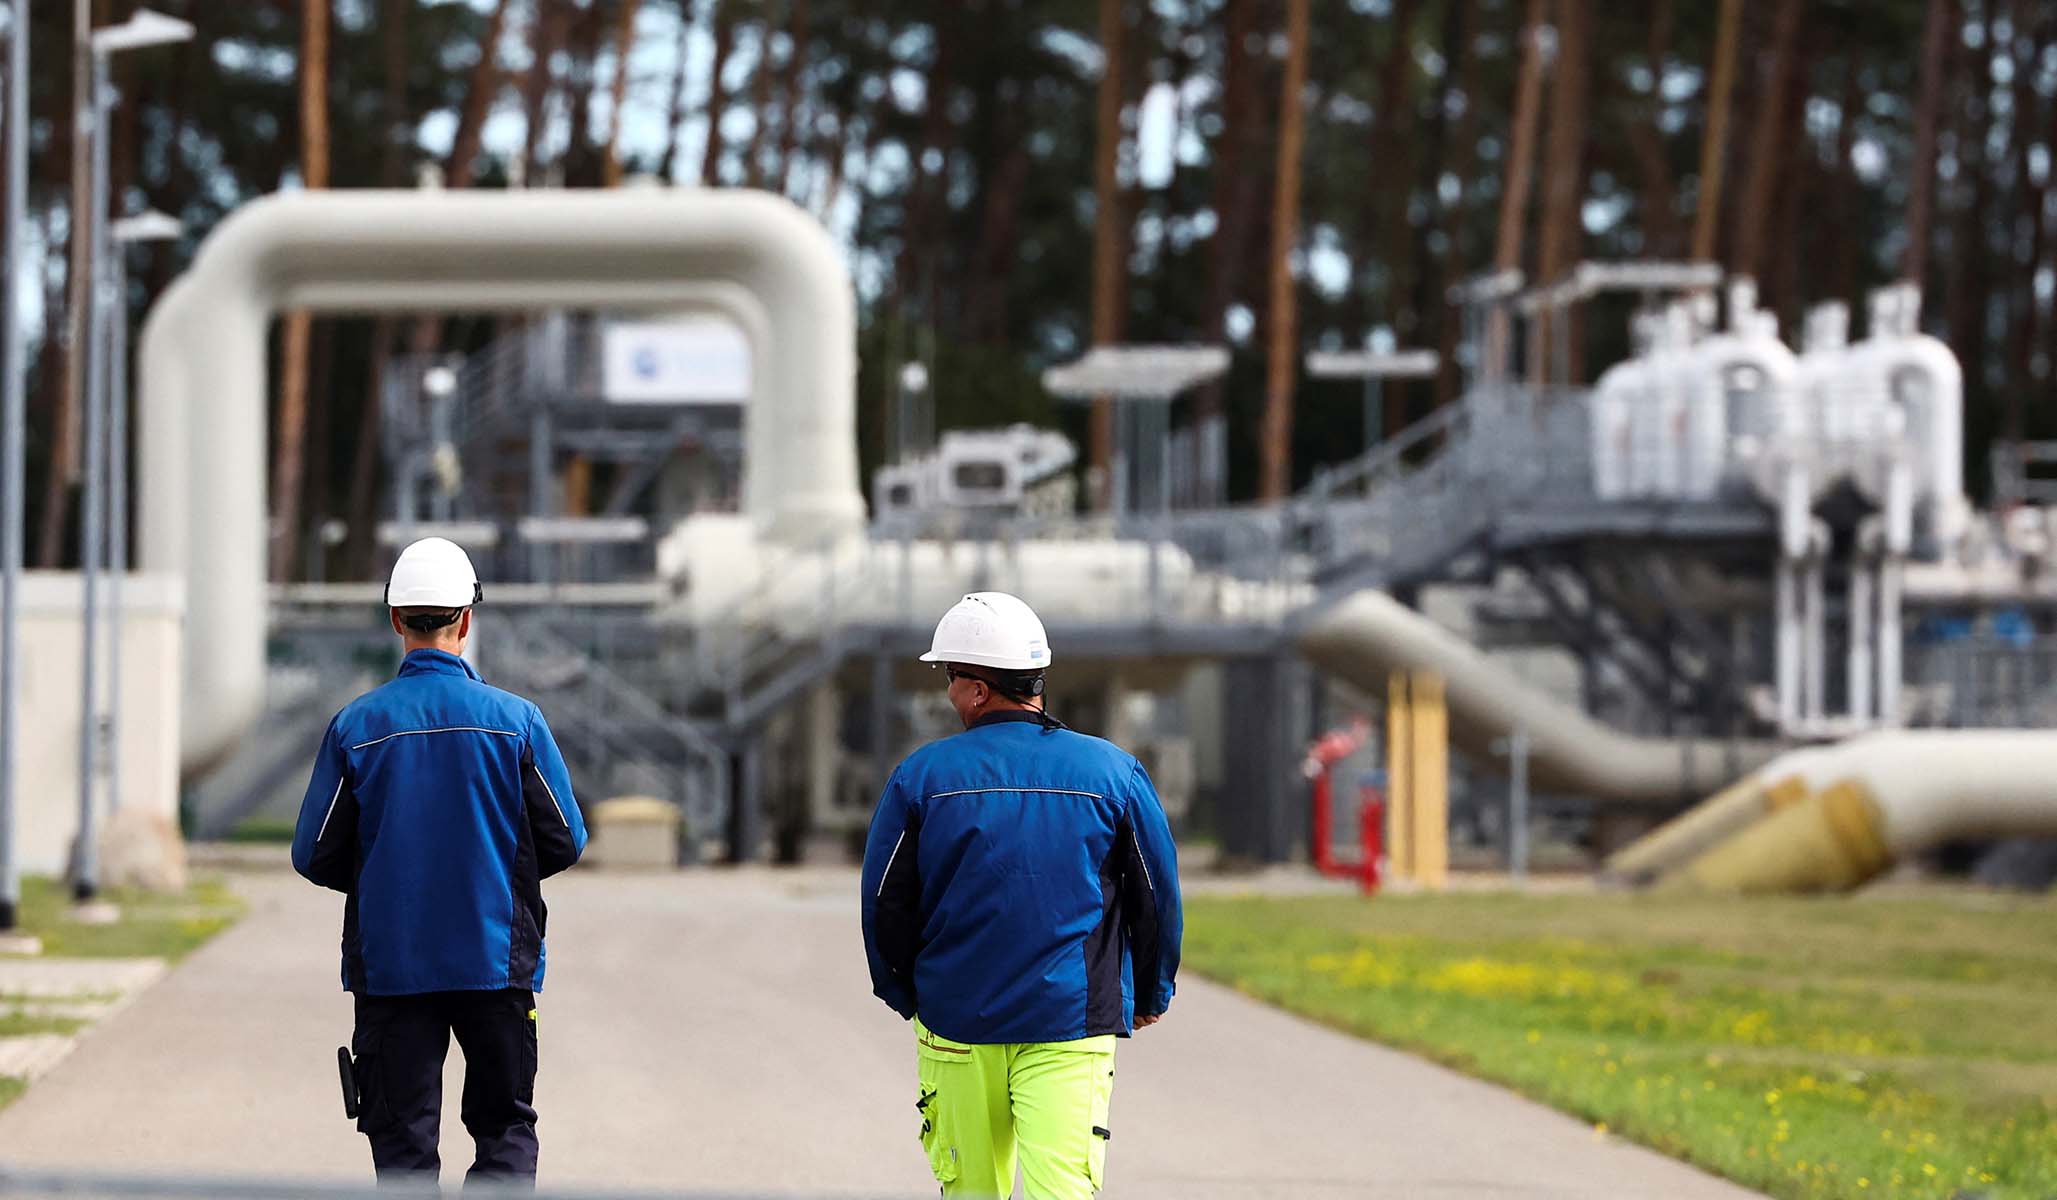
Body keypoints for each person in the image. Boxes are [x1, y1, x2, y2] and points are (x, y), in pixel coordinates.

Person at [861, 592, 1183, 1199]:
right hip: (1071, 1024)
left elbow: (885, 903)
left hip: (955, 1022)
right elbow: (1156, 894)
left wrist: (906, 991)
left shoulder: (922, 778)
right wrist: (1150, 990)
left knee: (971, 1192)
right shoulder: (1113, 772)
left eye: (951, 678)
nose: (948, 693)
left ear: (978, 690)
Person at [291, 536, 588, 1186]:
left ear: (396, 619)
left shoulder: (355, 728)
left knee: (402, 1150)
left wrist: (384, 874)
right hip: (496, 962)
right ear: (467, 620)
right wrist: (493, 869)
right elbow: (566, 838)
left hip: (392, 968)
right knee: (504, 1131)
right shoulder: (517, 722)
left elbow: (313, 852)